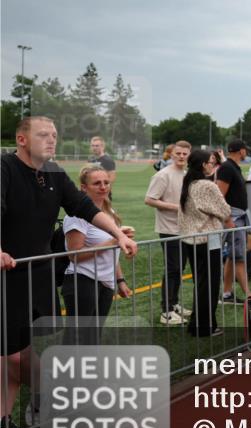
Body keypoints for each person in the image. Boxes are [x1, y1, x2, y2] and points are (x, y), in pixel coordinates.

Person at [1, 117, 138, 428]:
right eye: (43, 135)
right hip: (8, 276)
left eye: (55, 135)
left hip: (40, 274)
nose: (51, 140)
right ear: (22, 139)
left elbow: (85, 207)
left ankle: (35, 409)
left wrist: (118, 234)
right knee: (10, 356)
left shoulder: (55, 173)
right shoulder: (4, 168)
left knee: (20, 353)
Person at [62, 165, 133, 328]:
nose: (103, 187)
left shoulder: (109, 213)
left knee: (94, 336)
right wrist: (113, 241)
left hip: (106, 283)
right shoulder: (76, 215)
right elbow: (74, 255)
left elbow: (112, 253)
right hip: (82, 281)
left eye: (106, 182)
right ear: (83, 188)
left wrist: (120, 280)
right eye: (97, 183)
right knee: (78, 338)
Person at [178, 150, 231, 337]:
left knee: (201, 282)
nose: (213, 166)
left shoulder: (189, 183)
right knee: (209, 283)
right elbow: (225, 210)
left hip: (190, 239)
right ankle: (206, 326)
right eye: (211, 162)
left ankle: (197, 324)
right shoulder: (207, 186)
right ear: (203, 165)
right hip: (207, 239)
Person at [144, 140, 192, 325]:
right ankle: (166, 311)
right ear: (171, 154)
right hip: (169, 229)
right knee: (172, 269)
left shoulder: (186, 174)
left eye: (184, 154)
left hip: (185, 229)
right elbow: (149, 199)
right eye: (178, 153)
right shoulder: (163, 175)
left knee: (179, 268)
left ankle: (174, 303)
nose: (181, 156)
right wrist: (176, 208)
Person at [217, 139, 251, 303]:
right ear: (241, 151)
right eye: (245, 150)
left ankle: (226, 293)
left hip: (238, 218)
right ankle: (249, 295)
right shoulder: (227, 168)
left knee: (232, 256)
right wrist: (228, 219)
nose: (246, 152)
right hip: (233, 219)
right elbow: (219, 196)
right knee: (238, 257)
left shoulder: (232, 167)